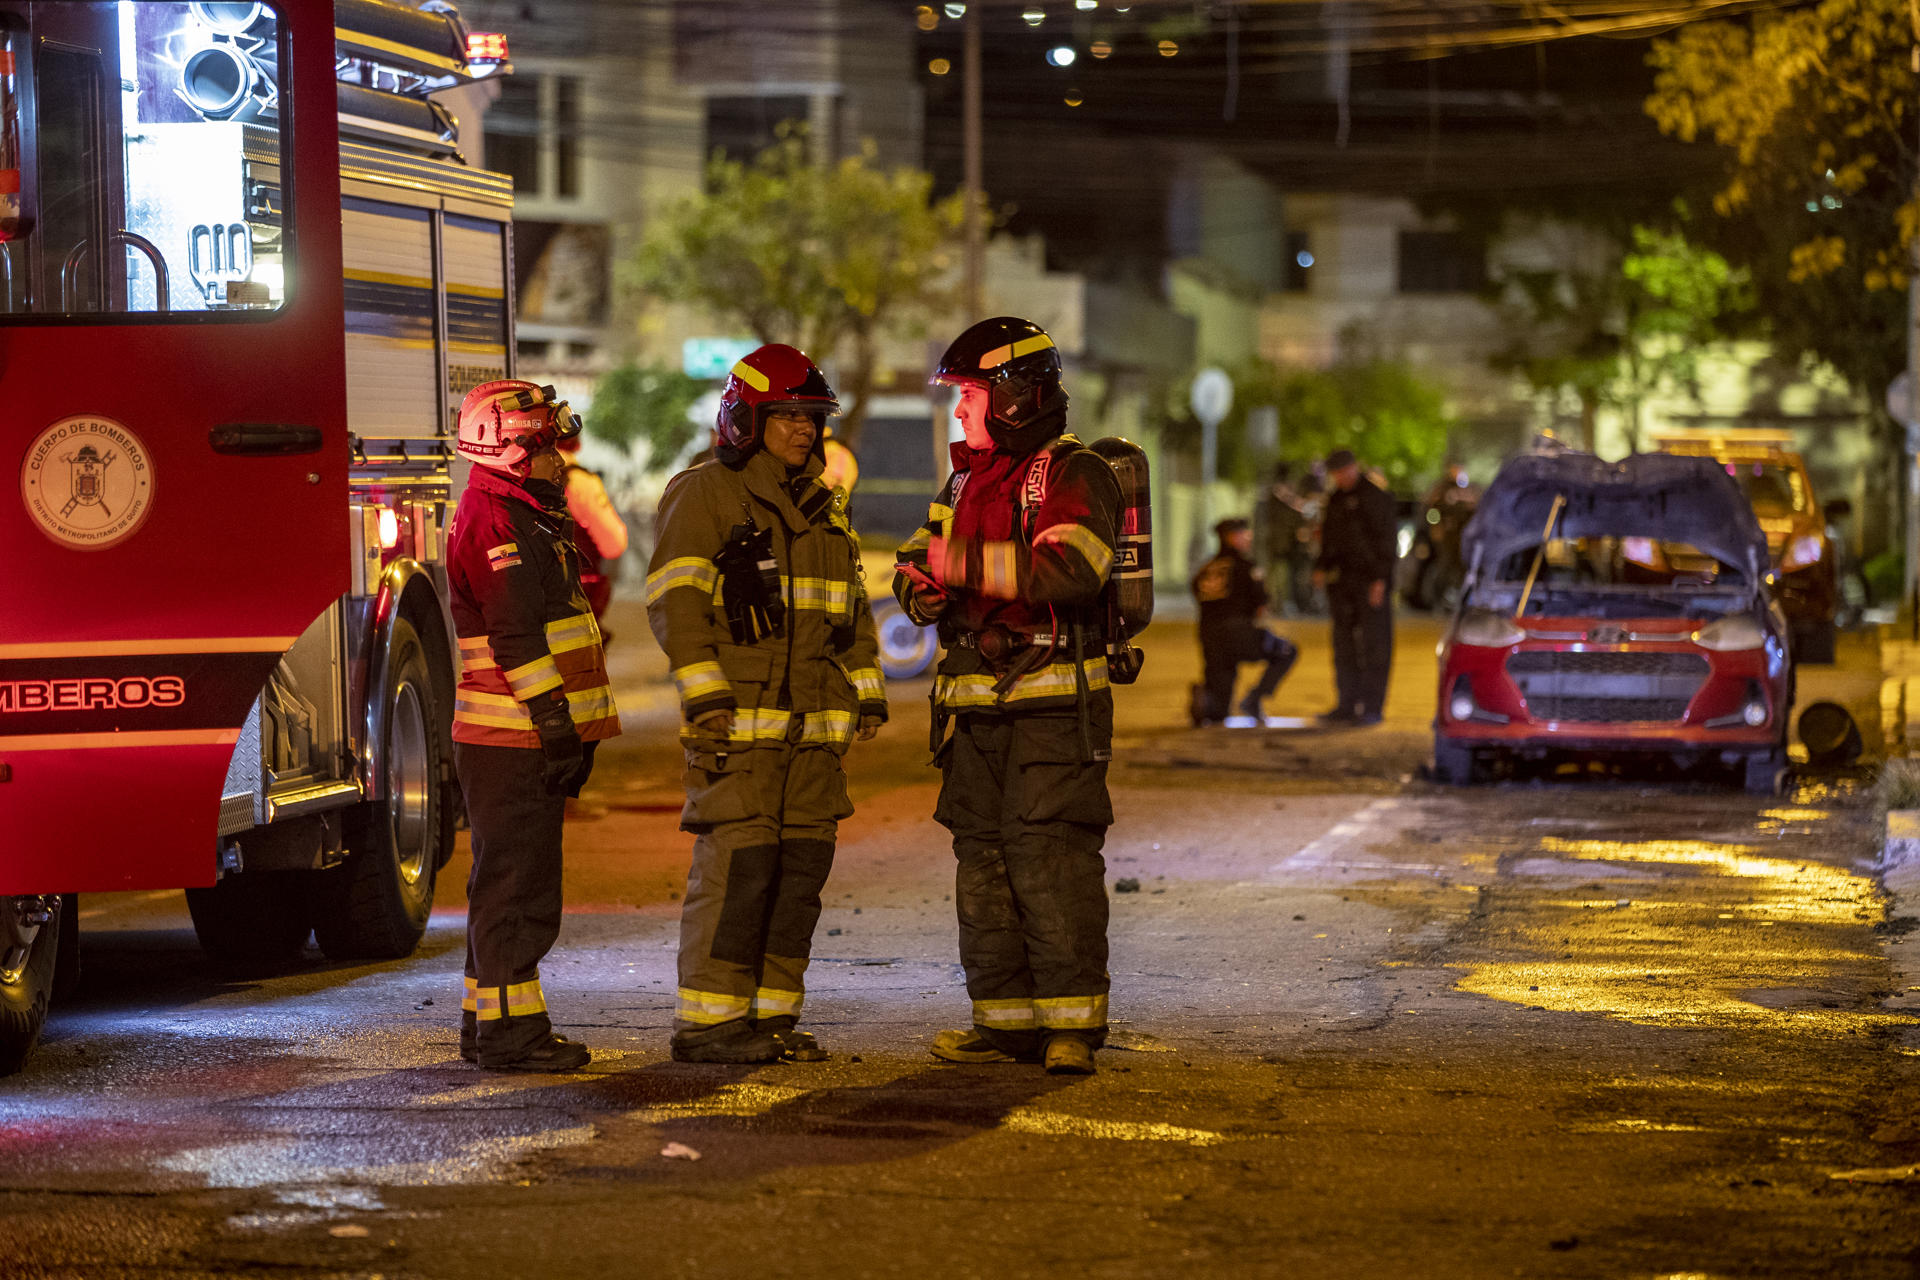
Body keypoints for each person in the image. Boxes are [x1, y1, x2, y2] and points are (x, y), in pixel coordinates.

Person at [646, 343, 887, 1065]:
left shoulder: (824, 508)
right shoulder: (706, 495)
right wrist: (705, 689)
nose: (803, 431)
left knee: (798, 876)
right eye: (786, 417)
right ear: (744, 418)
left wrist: (865, 694)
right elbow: (675, 601)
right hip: (739, 729)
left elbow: (853, 611)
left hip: (813, 737)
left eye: (811, 418)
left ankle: (772, 1018)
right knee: (740, 871)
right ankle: (711, 1022)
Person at [894, 315, 1122, 1077]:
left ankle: (1070, 1029)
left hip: (1053, 711)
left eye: (970, 395)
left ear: (1017, 396)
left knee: (1048, 860)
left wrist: (950, 564)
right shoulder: (962, 479)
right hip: (973, 713)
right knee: (982, 864)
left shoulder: (1074, 473)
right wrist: (916, 590)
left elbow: (1071, 571)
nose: (960, 411)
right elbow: (913, 558)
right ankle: (1002, 1023)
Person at [448, 379, 621, 1072]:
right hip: (514, 738)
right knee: (521, 894)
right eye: (550, 445)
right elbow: (516, 636)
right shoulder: (498, 522)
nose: (562, 459)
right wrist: (555, 724)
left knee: (503, 885)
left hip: (517, 738)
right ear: (513, 449)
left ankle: (485, 1024)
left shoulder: (519, 511)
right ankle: (513, 1036)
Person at [1313, 447, 1398, 725]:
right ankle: (1347, 704)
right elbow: (1329, 538)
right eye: (1335, 473)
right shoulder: (1336, 499)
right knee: (1344, 645)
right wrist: (1321, 567)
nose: (1340, 477)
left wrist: (1380, 580)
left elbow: (1386, 543)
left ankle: (1372, 707)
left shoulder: (1376, 497)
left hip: (1370, 581)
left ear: (1354, 467)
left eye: (1343, 471)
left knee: (1375, 646)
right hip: (1343, 583)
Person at [1191, 517, 1297, 725]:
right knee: (1287, 651)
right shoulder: (1246, 566)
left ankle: (1205, 702)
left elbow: (1198, 595)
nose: (1248, 537)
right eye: (1244, 533)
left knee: (1219, 713)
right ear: (1231, 537)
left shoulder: (1205, 569)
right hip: (1238, 632)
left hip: (1209, 636)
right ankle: (1255, 699)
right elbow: (1261, 604)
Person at [556, 434, 629, 627]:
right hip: (577, 592)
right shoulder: (580, 481)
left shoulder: (515, 478)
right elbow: (614, 545)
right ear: (577, 444)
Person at [1256, 463, 1309, 616]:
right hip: (1280, 545)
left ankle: (1280, 603)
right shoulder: (1279, 495)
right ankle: (1277, 604)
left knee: (1281, 576)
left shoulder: (1281, 496)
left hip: (1283, 544)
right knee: (1278, 576)